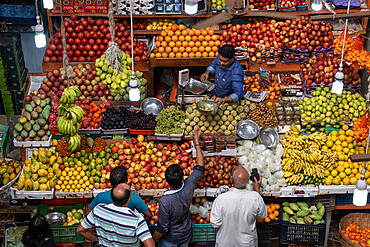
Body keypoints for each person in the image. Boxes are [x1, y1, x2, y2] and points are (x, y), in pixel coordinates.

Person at [153, 128, 205, 247]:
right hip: (185, 234)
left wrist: (152, 240)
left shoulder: (165, 201)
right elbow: (200, 166)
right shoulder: (189, 184)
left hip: (169, 240)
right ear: (183, 176)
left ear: (166, 181)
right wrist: (196, 142)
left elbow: (162, 228)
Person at [77, 183, 155, 247]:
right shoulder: (136, 219)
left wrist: (97, 240)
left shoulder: (98, 210)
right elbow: (150, 245)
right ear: (129, 199)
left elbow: (80, 230)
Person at [210, 166, 267, 247]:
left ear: (232, 180)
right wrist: (257, 189)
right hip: (248, 244)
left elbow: (215, 223)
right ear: (248, 182)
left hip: (225, 243)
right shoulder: (255, 197)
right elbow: (262, 215)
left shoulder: (221, 199)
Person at [87, 166, 152, 223]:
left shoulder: (100, 197)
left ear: (110, 182)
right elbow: (148, 215)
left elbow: (87, 214)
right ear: (126, 182)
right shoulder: (133, 197)